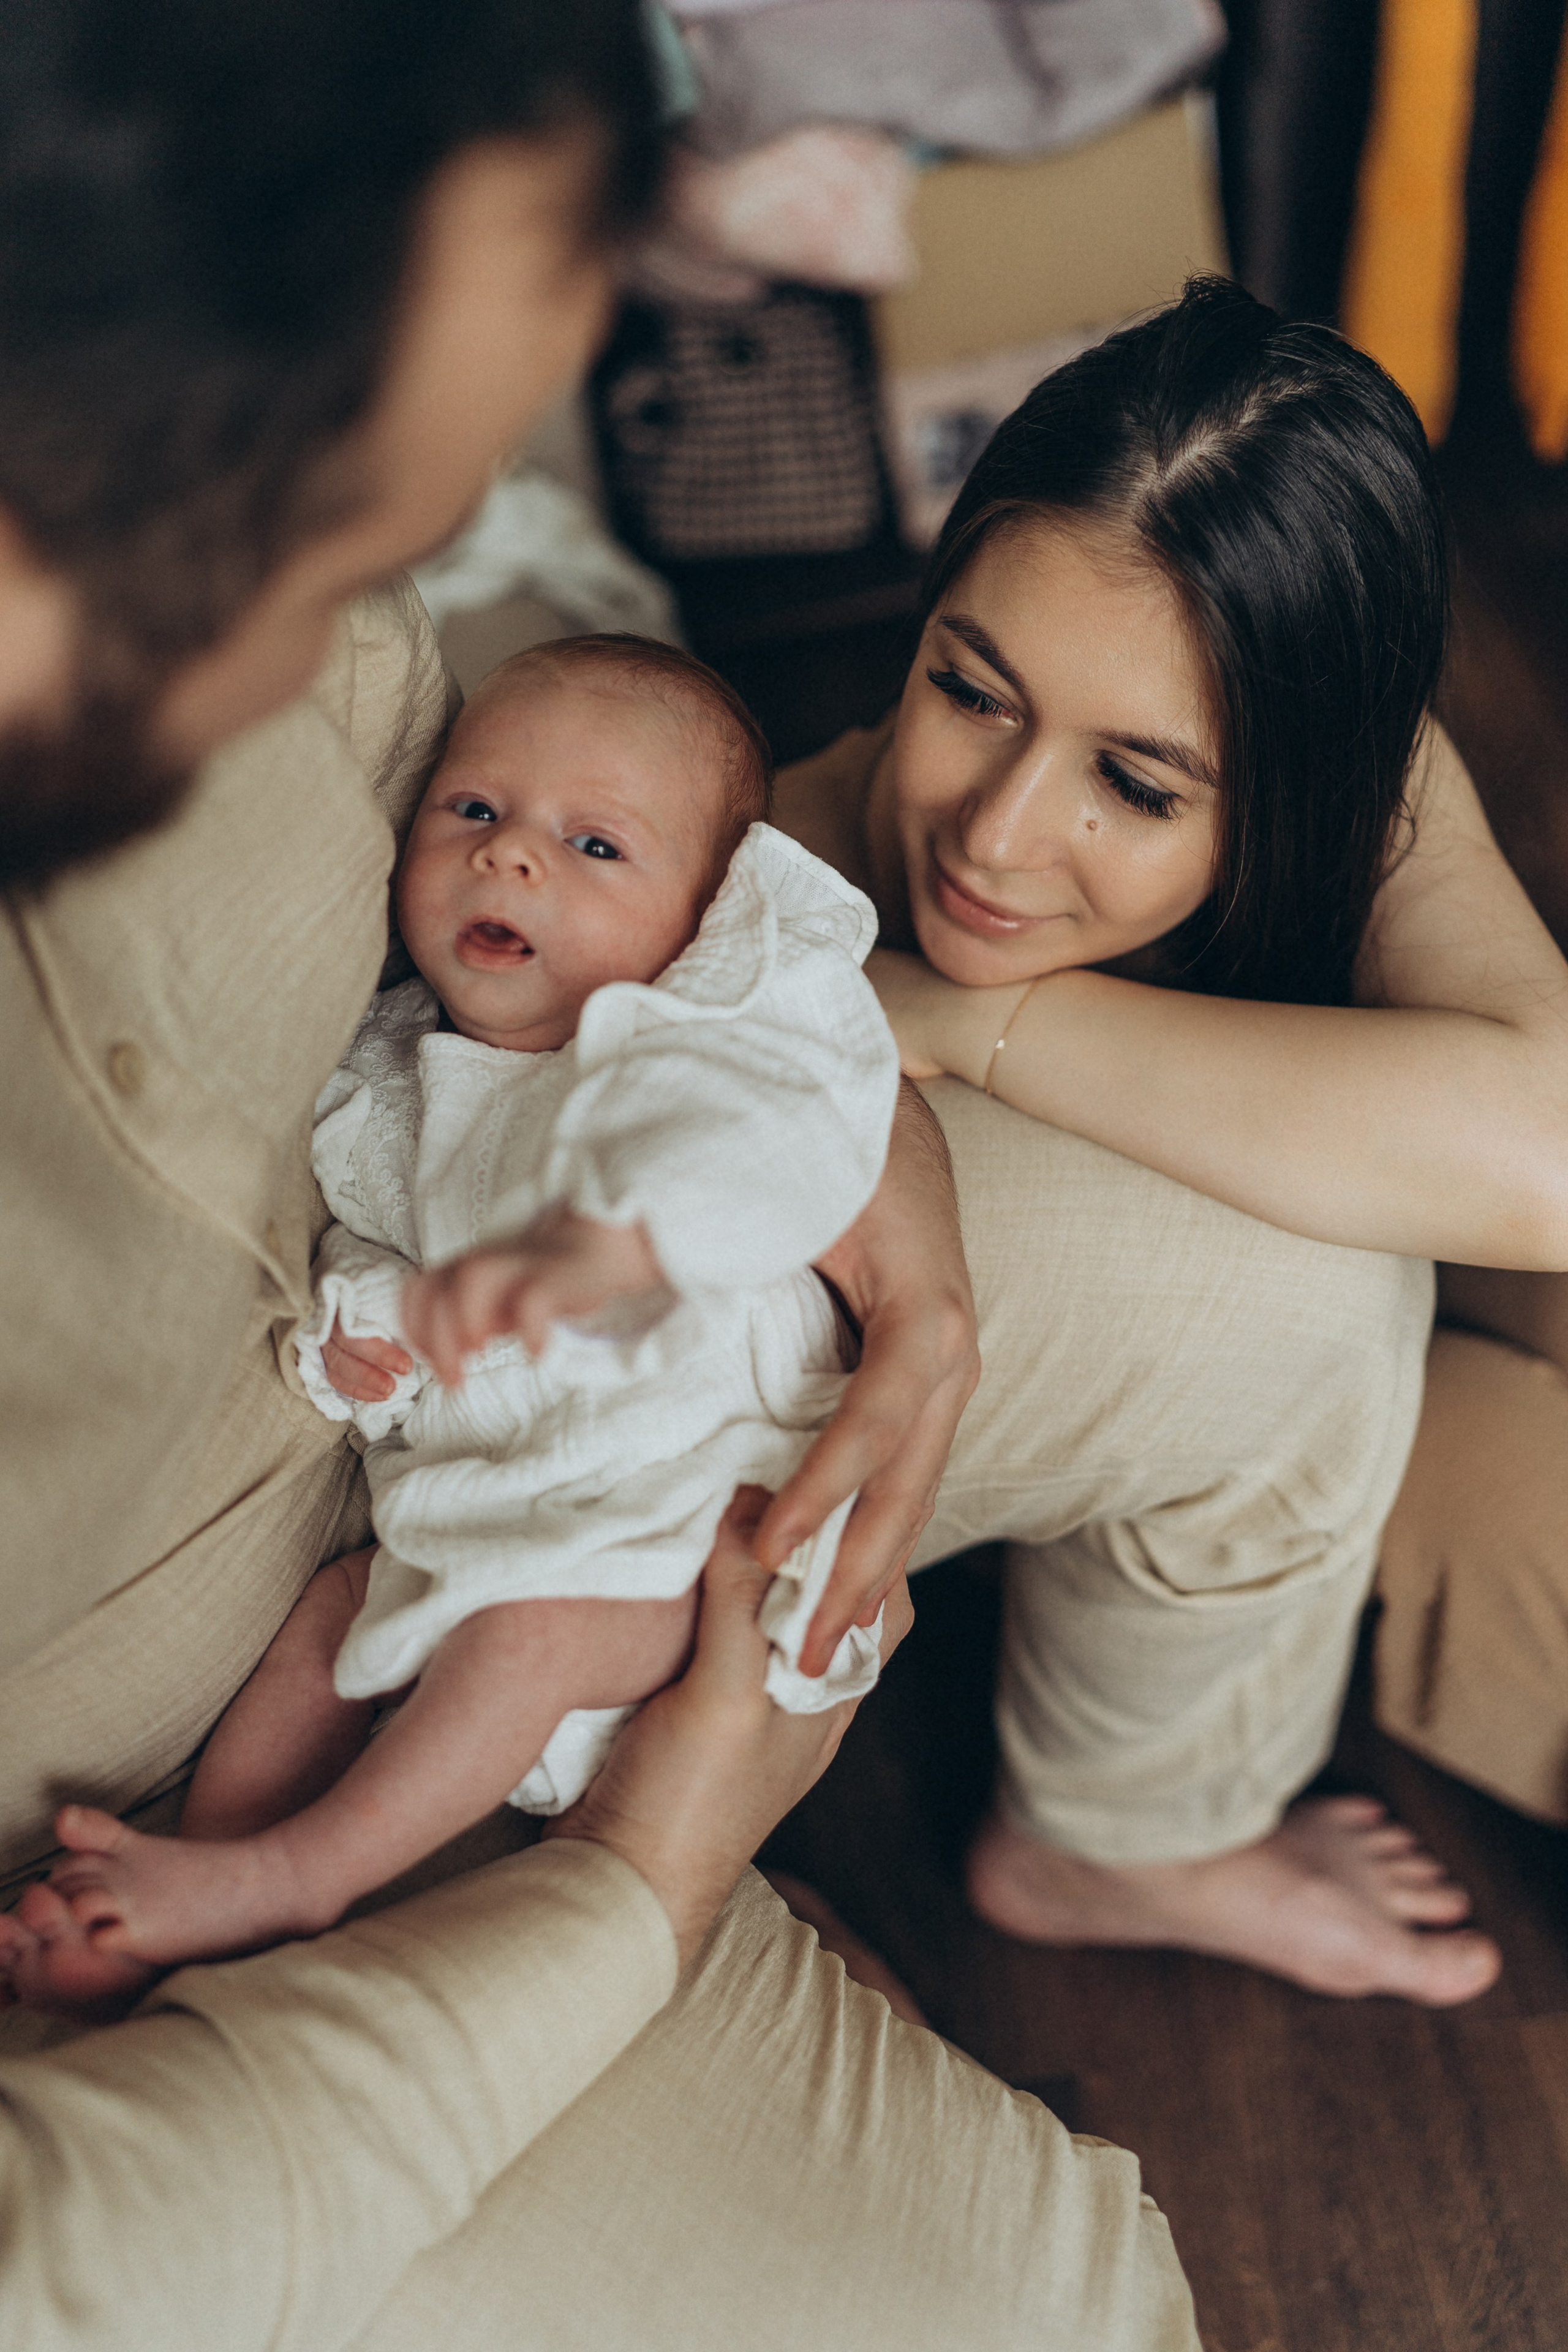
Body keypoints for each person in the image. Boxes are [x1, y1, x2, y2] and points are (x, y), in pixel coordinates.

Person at [1, 6, 1204, 2348]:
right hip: (193, 1879)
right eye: (336, 524)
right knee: (1071, 2301)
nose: (369, 647)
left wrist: (916, 1282)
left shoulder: (367, 708)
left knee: (1283, 1303)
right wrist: (653, 1868)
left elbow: (746, 1032)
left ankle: (1137, 1826)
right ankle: (270, 1885)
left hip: (508, 1476)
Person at [774, 278, 1568, 2005]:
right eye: (971, 689)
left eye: (1135, 785)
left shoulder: (1358, 781)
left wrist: (988, 1019)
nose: (993, 833)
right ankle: (1117, 1836)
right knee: (1339, 1290)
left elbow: (1549, 1155)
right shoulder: (780, 882)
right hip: (744, 1343)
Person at [17, 632, 901, 2000]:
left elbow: (791, 1149)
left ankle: (300, 1873)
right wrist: (358, 1338)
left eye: (594, 845)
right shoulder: (385, 1078)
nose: (511, 859)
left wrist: (610, 1235)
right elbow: (359, 1246)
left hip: (693, 1546)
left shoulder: (706, 1044)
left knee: (526, 1629)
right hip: (476, 1520)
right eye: (474, 812)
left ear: (707, 914)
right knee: (332, 1620)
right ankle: (192, 1886)